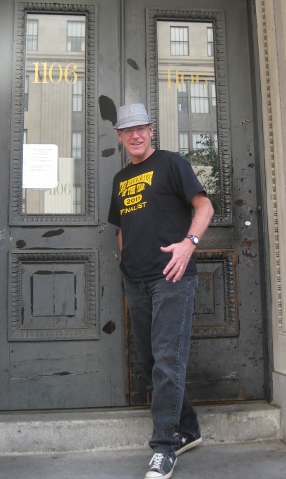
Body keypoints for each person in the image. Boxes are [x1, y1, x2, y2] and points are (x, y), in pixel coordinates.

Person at [108, 103, 214, 479]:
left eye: (141, 128)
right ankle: (188, 428)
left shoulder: (172, 164)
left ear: (151, 130)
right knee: (152, 360)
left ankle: (164, 446)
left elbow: (205, 206)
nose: (135, 135)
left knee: (168, 360)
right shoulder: (121, 179)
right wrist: (125, 262)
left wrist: (189, 244)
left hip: (171, 276)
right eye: (128, 130)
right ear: (120, 137)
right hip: (135, 279)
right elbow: (121, 227)